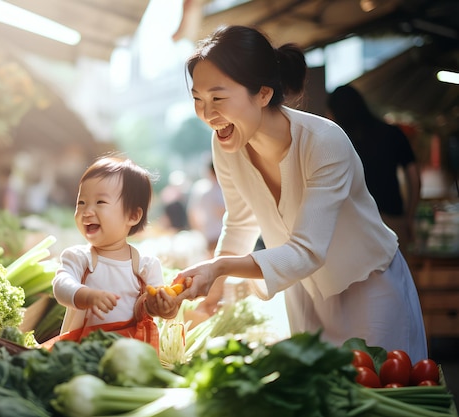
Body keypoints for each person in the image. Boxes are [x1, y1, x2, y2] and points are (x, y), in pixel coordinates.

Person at [172, 25, 428, 361]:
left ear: (263, 94)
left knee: (381, 397)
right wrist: (212, 294)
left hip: (368, 289)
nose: (207, 114)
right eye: (197, 99)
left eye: (218, 98)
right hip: (304, 293)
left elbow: (307, 250)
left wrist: (219, 268)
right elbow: (239, 222)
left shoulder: (323, 142)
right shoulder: (226, 144)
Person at [49, 155, 179, 351]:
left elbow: (154, 308)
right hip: (82, 351)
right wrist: (86, 296)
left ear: (133, 216)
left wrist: (166, 306)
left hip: (130, 353)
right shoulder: (79, 258)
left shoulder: (145, 266)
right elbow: (61, 285)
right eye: (81, 203)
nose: (87, 211)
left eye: (100, 202)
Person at [327, 84, 421, 249]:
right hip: (392, 220)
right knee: (397, 273)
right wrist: (409, 217)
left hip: (352, 224)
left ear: (335, 112)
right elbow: (414, 178)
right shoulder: (392, 133)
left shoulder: (337, 140)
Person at [186, 161, 225, 254]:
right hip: (220, 233)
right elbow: (221, 211)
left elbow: (192, 213)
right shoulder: (221, 189)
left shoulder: (201, 188)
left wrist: (198, 231)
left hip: (209, 233)